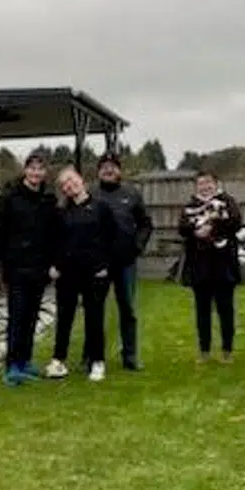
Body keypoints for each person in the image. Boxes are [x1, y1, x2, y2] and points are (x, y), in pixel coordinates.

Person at [0, 150, 61, 386]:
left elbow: (53, 236)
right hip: (16, 267)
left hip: (40, 268)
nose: (36, 172)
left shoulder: (48, 200)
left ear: (44, 173)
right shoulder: (9, 198)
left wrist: (54, 264)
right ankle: (12, 366)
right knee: (17, 317)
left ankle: (26, 361)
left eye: (40, 168)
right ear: (25, 170)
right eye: (32, 168)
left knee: (31, 317)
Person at [44, 166, 116, 382]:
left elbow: (113, 239)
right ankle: (58, 361)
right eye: (64, 184)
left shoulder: (101, 207)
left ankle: (97, 362)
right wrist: (54, 265)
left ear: (81, 180)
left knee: (94, 318)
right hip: (67, 273)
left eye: (72, 180)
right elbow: (55, 242)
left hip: (95, 273)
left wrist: (106, 265)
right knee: (64, 319)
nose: (69, 185)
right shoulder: (61, 211)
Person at [93, 152, 153, 371]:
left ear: (119, 170)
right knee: (94, 309)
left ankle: (130, 355)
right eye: (104, 166)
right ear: (98, 171)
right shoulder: (91, 194)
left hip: (125, 262)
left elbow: (146, 224)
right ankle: (92, 354)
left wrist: (137, 246)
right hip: (98, 263)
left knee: (127, 309)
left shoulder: (132, 194)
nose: (108, 170)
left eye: (113, 166)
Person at [178, 170, 243, 363]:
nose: (205, 187)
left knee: (225, 308)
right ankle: (204, 350)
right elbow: (182, 228)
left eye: (208, 183)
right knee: (202, 309)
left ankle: (227, 350)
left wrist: (213, 228)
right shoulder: (190, 206)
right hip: (200, 264)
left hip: (223, 264)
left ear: (216, 184)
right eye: (201, 183)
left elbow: (236, 222)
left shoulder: (228, 202)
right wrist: (195, 231)